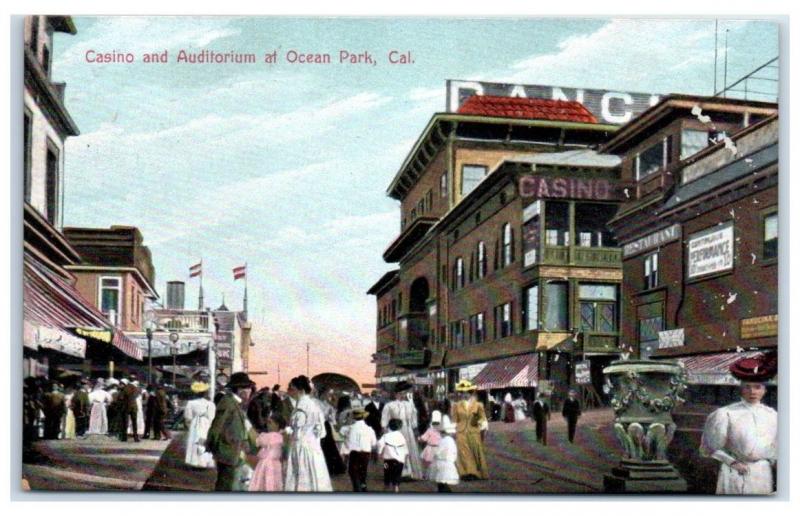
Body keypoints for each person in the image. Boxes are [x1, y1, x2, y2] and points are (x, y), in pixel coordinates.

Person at [700, 352, 778, 495]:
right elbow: (708, 447)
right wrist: (732, 462)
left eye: (757, 387)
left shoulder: (773, 415)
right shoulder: (725, 413)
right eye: (747, 387)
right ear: (741, 389)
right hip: (734, 471)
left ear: (765, 390)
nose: (752, 391)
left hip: (762, 473)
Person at [206, 372, 258, 491]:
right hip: (227, 452)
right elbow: (216, 427)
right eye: (247, 388)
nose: (250, 391)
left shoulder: (235, 403)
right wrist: (214, 447)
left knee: (230, 485)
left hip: (234, 452)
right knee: (226, 486)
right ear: (239, 389)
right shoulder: (227, 402)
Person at [284, 375, 333, 492]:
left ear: (301, 390)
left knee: (302, 476)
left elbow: (295, 430)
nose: (290, 391)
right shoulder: (314, 405)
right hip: (314, 447)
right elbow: (322, 432)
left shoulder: (301, 407)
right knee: (315, 476)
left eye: (292, 389)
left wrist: (285, 430)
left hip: (301, 446)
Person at [380, 381, 423, 480]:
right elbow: (384, 420)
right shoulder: (390, 405)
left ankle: (409, 473)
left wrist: (415, 429)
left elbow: (413, 419)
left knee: (409, 450)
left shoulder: (409, 405)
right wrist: (385, 431)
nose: (404, 395)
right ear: (397, 393)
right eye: (402, 393)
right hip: (395, 431)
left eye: (405, 393)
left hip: (408, 431)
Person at [451, 380, 489, 480]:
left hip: (474, 431)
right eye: (463, 392)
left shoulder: (478, 405)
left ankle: (476, 472)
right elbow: (454, 420)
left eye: (467, 392)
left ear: (471, 392)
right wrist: (453, 431)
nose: (465, 394)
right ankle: (466, 473)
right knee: (463, 452)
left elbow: (483, 418)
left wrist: (481, 424)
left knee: (475, 452)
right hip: (461, 431)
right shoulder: (456, 405)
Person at [249, 413, 286, 492]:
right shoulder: (278, 436)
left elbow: (256, 440)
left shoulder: (274, 436)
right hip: (274, 464)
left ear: (277, 425)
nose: (267, 425)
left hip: (267, 465)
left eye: (270, 422)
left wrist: (248, 427)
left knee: (267, 484)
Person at [342, 408, 377, 492]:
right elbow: (374, 443)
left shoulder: (349, 428)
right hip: (366, 452)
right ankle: (363, 485)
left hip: (354, 452)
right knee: (363, 470)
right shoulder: (369, 429)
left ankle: (357, 488)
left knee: (353, 471)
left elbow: (341, 432)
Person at [183, 381, 216, 468]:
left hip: (195, 423)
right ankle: (205, 462)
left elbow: (188, 417)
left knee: (194, 442)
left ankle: (194, 461)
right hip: (206, 424)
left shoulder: (191, 403)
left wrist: (189, 426)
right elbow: (212, 417)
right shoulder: (210, 404)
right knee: (205, 441)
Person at [377, 418, 408, 493]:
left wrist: (379, 453)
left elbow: (379, 444)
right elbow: (406, 451)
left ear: (389, 426)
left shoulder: (385, 436)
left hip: (387, 462)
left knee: (386, 478)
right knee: (396, 481)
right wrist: (405, 461)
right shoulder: (402, 437)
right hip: (400, 462)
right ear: (399, 427)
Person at [433, 416, 460, 492]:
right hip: (449, 463)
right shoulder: (451, 441)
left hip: (443, 463)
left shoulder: (443, 441)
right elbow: (454, 453)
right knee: (444, 482)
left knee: (442, 482)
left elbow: (438, 452)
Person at [419, 410, 443, 481]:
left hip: (430, 448)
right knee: (436, 463)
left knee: (427, 463)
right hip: (438, 448)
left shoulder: (430, 430)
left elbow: (424, 438)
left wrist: (419, 438)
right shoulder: (441, 431)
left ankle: (426, 475)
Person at [118, 378, 140, 442]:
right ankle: (136, 437)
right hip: (134, 407)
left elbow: (121, 398)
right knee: (134, 423)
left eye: (121, 384)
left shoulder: (124, 389)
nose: (120, 385)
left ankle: (124, 437)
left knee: (125, 423)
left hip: (126, 407)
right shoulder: (134, 387)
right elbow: (137, 394)